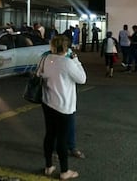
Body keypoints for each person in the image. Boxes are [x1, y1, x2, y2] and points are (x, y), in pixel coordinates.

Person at [41, 35, 87, 180]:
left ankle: (49, 167)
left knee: (49, 135)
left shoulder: (46, 59)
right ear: (66, 47)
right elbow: (82, 79)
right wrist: (76, 60)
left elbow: (39, 75)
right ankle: (64, 171)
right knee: (62, 139)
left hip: (47, 102)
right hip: (63, 105)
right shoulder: (67, 62)